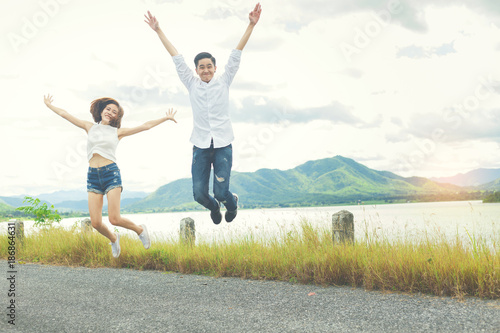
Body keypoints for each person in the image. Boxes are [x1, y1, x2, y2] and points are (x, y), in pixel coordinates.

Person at [144, 3, 262, 224]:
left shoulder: (224, 82)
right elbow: (176, 58)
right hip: (200, 145)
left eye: (209, 66)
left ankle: (231, 202)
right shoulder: (191, 83)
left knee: (220, 191)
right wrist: (158, 30)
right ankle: (214, 207)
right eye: (201, 67)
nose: (206, 70)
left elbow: (236, 54)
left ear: (215, 68)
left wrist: (251, 25)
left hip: (222, 144)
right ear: (196, 70)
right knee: (199, 194)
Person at [43, 94, 177, 258]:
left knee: (114, 219)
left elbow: (146, 126)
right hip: (93, 176)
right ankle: (114, 238)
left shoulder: (118, 132)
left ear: (116, 117)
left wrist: (166, 118)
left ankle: (140, 230)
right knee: (96, 223)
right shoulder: (89, 127)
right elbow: (65, 114)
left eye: (114, 111)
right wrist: (49, 105)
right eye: (108, 109)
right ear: (102, 110)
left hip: (111, 174)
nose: (110, 112)